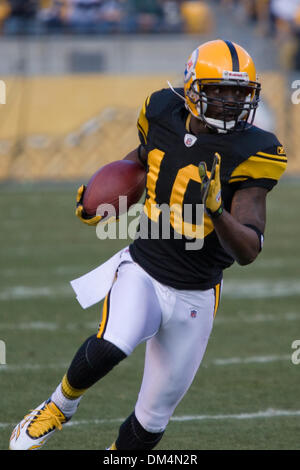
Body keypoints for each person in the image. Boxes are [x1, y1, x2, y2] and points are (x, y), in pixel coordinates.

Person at [9, 39, 287, 450]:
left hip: (196, 293)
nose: (231, 102)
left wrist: (216, 212)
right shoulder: (160, 110)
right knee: (112, 343)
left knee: (152, 421)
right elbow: (142, 159)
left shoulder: (255, 150)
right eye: (220, 90)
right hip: (144, 268)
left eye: (239, 93)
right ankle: (58, 406)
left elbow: (248, 249)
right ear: (193, 88)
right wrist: (105, 200)